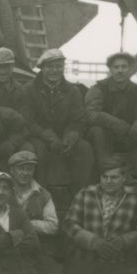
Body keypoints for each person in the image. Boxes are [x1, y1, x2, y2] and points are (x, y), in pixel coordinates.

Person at [85, 51, 137, 192]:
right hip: (106, 136)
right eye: (116, 67)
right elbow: (91, 113)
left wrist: (135, 131)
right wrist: (117, 125)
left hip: (128, 136)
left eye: (124, 67)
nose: (120, 71)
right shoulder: (98, 88)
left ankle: (136, 178)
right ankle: (106, 173)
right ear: (110, 69)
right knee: (97, 131)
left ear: (130, 69)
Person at [25, 49, 94, 190]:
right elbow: (28, 121)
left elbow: (78, 119)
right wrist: (49, 137)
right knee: (38, 152)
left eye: (58, 66)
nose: (54, 71)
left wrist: (72, 135)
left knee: (84, 149)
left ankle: (79, 197)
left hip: (63, 136)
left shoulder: (73, 91)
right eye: (50, 67)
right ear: (42, 68)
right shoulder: (29, 89)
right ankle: (39, 196)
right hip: (38, 136)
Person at [8, 150, 65, 274]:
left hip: (36, 250)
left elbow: (53, 225)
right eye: (21, 168)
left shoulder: (43, 194)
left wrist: (27, 224)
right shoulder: (3, 190)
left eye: (29, 169)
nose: (26, 173)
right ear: (12, 170)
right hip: (8, 248)